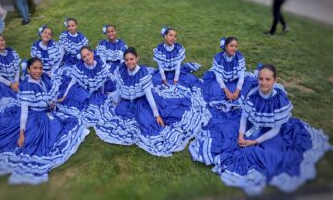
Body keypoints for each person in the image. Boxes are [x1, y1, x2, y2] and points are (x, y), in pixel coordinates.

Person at [189, 64, 332, 195]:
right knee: (225, 132)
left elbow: (275, 130)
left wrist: (254, 141)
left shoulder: (280, 101)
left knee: (274, 156)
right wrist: (240, 134)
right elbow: (244, 117)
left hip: (269, 132)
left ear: (274, 81)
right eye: (261, 79)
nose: (263, 83)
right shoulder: (252, 95)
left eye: (268, 79)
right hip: (251, 125)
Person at [0, 57, 90, 184]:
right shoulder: (26, 87)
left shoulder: (44, 79)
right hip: (34, 117)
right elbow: (24, 110)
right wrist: (21, 132)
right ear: (29, 69)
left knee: (67, 124)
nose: (38, 71)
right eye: (35, 68)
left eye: (40, 68)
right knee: (37, 140)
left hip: (47, 112)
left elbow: (50, 96)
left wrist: (52, 103)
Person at [94, 47, 210, 156]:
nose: (129, 62)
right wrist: (117, 100)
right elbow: (121, 87)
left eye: (132, 59)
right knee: (119, 110)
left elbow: (149, 95)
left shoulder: (142, 73)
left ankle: (157, 115)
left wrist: (157, 115)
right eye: (126, 60)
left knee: (150, 121)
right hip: (129, 100)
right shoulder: (122, 71)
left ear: (137, 58)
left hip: (143, 100)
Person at [56, 46, 109, 125]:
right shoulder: (80, 68)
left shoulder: (100, 64)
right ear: (82, 59)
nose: (87, 58)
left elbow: (102, 81)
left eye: (88, 54)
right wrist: (64, 96)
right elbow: (72, 82)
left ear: (92, 53)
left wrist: (103, 93)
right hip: (83, 89)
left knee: (97, 105)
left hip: (94, 91)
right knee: (78, 101)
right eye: (84, 57)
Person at [202, 37, 256, 104]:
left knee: (246, 88)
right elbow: (219, 78)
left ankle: (234, 94)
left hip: (234, 80)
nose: (234, 48)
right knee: (214, 91)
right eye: (231, 46)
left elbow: (241, 77)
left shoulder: (239, 58)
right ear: (226, 47)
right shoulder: (218, 58)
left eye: (236, 46)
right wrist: (227, 91)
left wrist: (237, 92)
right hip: (220, 80)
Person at [95, 24, 128, 92]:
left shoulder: (121, 43)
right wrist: (106, 69)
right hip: (106, 65)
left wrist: (119, 69)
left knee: (119, 79)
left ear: (115, 31)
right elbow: (101, 59)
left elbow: (123, 59)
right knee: (104, 78)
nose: (110, 33)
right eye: (108, 32)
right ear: (106, 33)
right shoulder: (103, 44)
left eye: (112, 31)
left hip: (118, 65)